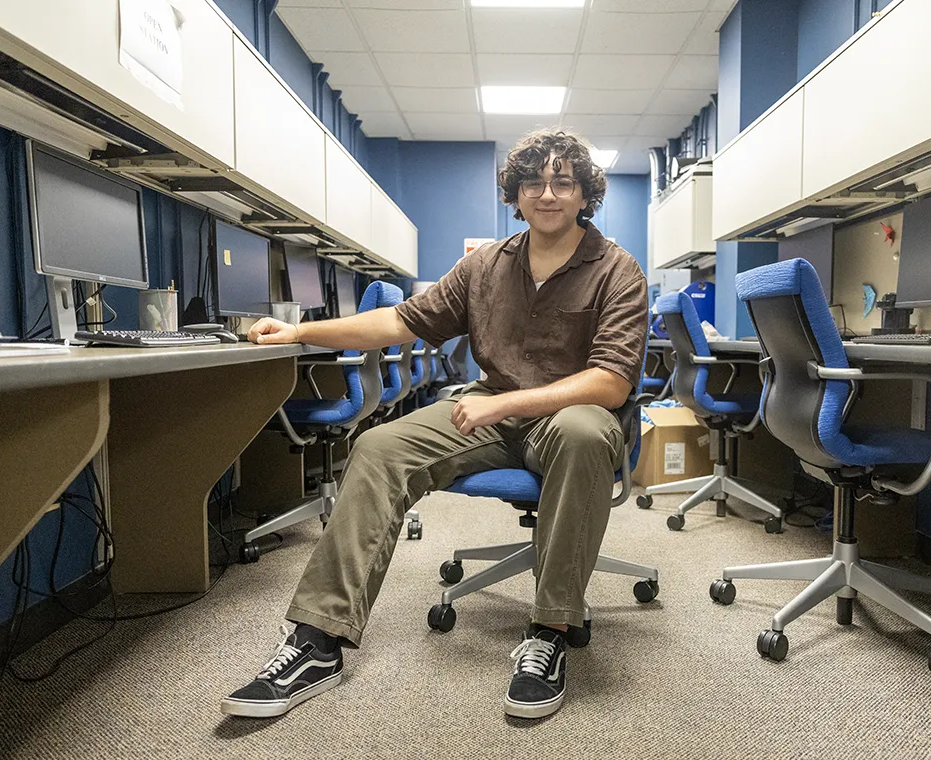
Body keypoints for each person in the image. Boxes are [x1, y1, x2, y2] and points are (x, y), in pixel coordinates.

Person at [220, 128, 648, 721]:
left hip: (567, 418)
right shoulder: (484, 268)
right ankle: (318, 640)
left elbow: (612, 382)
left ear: (583, 195)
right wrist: (298, 332)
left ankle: (549, 632)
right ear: (516, 194)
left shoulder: (617, 269)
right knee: (377, 447)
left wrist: (504, 405)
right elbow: (398, 323)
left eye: (562, 182)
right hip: (489, 409)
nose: (547, 194)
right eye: (534, 182)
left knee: (582, 430)